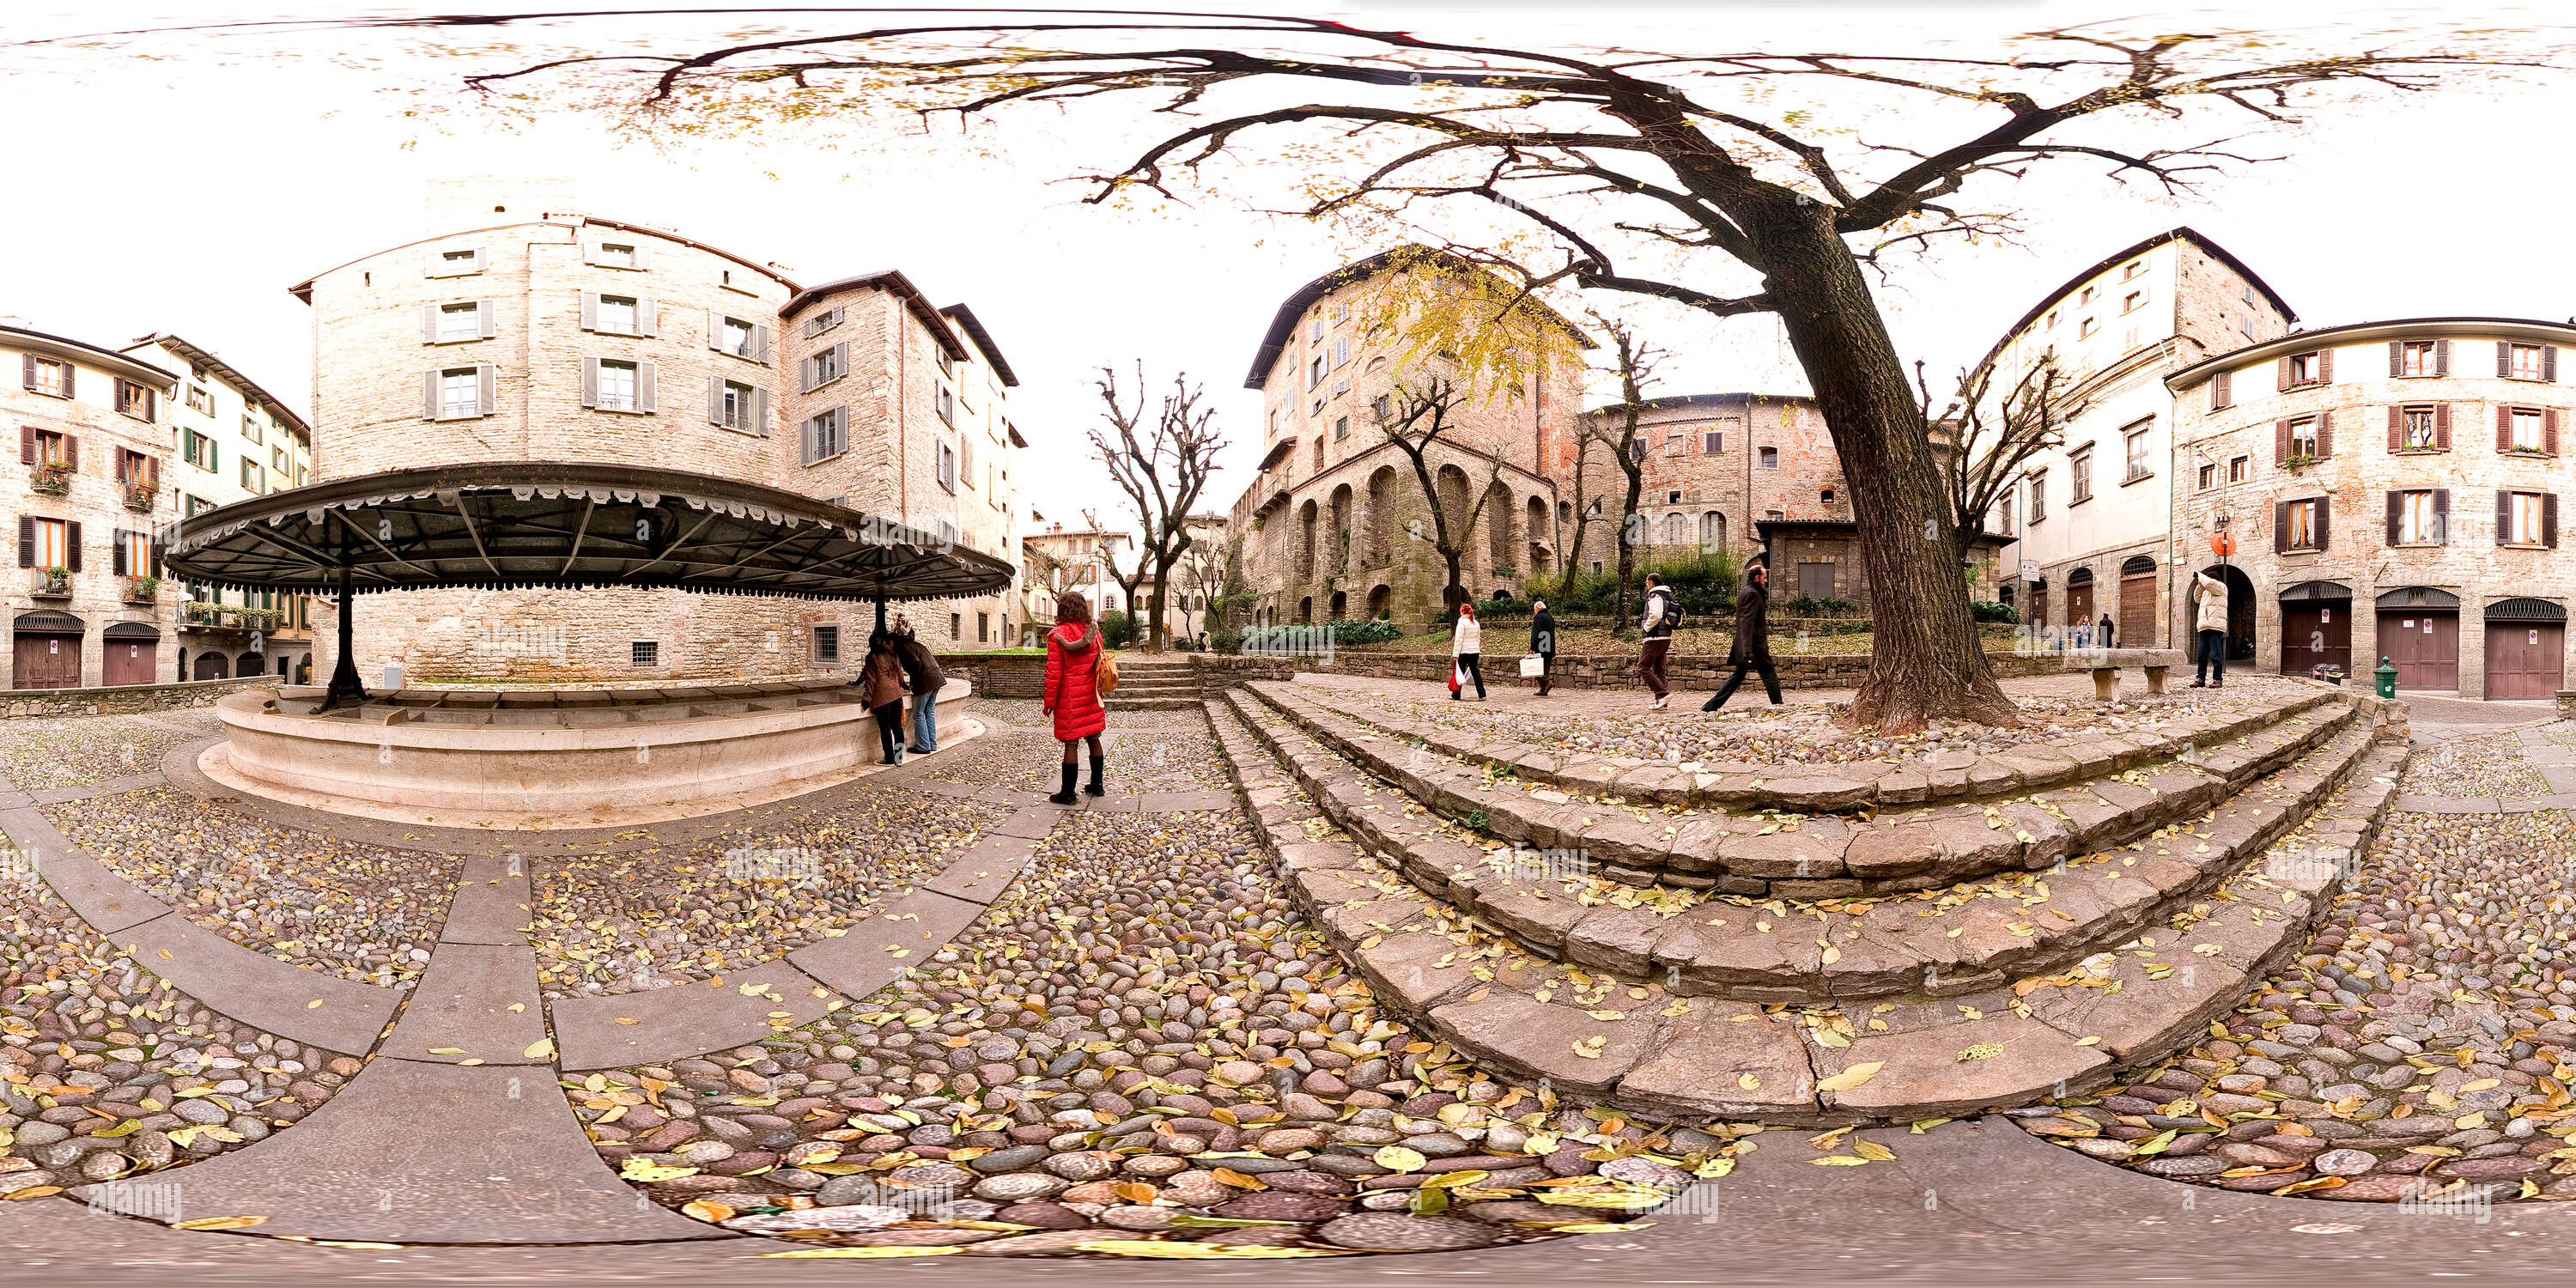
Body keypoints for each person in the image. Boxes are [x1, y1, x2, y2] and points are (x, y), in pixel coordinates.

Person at [1042, 591, 1109, 803]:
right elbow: (1101, 664)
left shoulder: (1057, 635)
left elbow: (1054, 674)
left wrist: (1049, 703)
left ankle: (1068, 793)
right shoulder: (1094, 633)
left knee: (1071, 744)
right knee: (1093, 737)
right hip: (1091, 695)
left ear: (1062, 608)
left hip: (1069, 698)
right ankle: (1097, 786)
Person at [1703, 561, 1783, 712]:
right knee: (1768, 673)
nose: (1766, 580)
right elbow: (1746, 623)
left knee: (1737, 677)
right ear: (1757, 577)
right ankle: (1778, 706)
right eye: (1764, 577)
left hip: (1749, 645)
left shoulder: (1749, 591)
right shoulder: (1752, 594)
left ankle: (1710, 707)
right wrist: (1747, 651)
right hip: (1753, 646)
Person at [889, 614, 946, 754]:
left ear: (892, 643)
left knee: (919, 713)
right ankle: (932, 744)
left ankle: (923, 746)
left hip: (925, 681)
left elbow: (915, 663)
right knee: (929, 712)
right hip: (936, 678)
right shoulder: (913, 643)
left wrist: (913, 683)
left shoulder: (902, 647)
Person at [860, 629, 909, 766]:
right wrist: (899, 687)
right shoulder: (893, 655)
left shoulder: (872, 658)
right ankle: (899, 758)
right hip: (896, 696)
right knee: (897, 727)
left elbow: (871, 681)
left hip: (882, 698)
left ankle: (889, 758)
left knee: (885, 729)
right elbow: (900, 675)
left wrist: (866, 699)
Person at [1639, 572, 1675, 710]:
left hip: (1655, 637)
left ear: (1651, 583)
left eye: (1647, 583)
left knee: (1643, 667)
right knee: (1659, 671)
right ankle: (1662, 702)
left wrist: (1646, 628)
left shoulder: (1655, 596)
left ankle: (1663, 693)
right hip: (1665, 636)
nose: (1646, 586)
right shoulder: (1667, 595)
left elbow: (1656, 614)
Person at [2190, 570, 2229, 689]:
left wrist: (2202, 577)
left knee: (2216, 655)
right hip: (2204, 625)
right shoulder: (2206, 590)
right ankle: (2200, 679)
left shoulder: (2221, 587)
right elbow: (2197, 598)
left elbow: (2211, 584)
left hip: (2216, 626)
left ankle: (2218, 679)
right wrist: (2200, 584)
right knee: (2201, 654)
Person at [1449, 600, 1485, 701]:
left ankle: (1456, 694)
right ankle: (1482, 694)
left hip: (1464, 651)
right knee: (1475, 672)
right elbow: (1478, 638)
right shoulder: (1476, 623)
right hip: (1475, 651)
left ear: (1462, 612)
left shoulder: (1462, 623)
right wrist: (1477, 648)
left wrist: (1455, 654)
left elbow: (1459, 639)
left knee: (1459, 672)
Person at [1529, 598, 1558, 697]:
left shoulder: (1538, 617)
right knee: (1545, 669)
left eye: (1534, 609)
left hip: (1541, 647)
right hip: (1549, 647)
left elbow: (1535, 633)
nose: (1534, 611)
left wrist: (1532, 647)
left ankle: (1546, 684)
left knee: (1536, 669)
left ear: (1537, 608)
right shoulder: (1550, 617)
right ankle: (1543, 690)